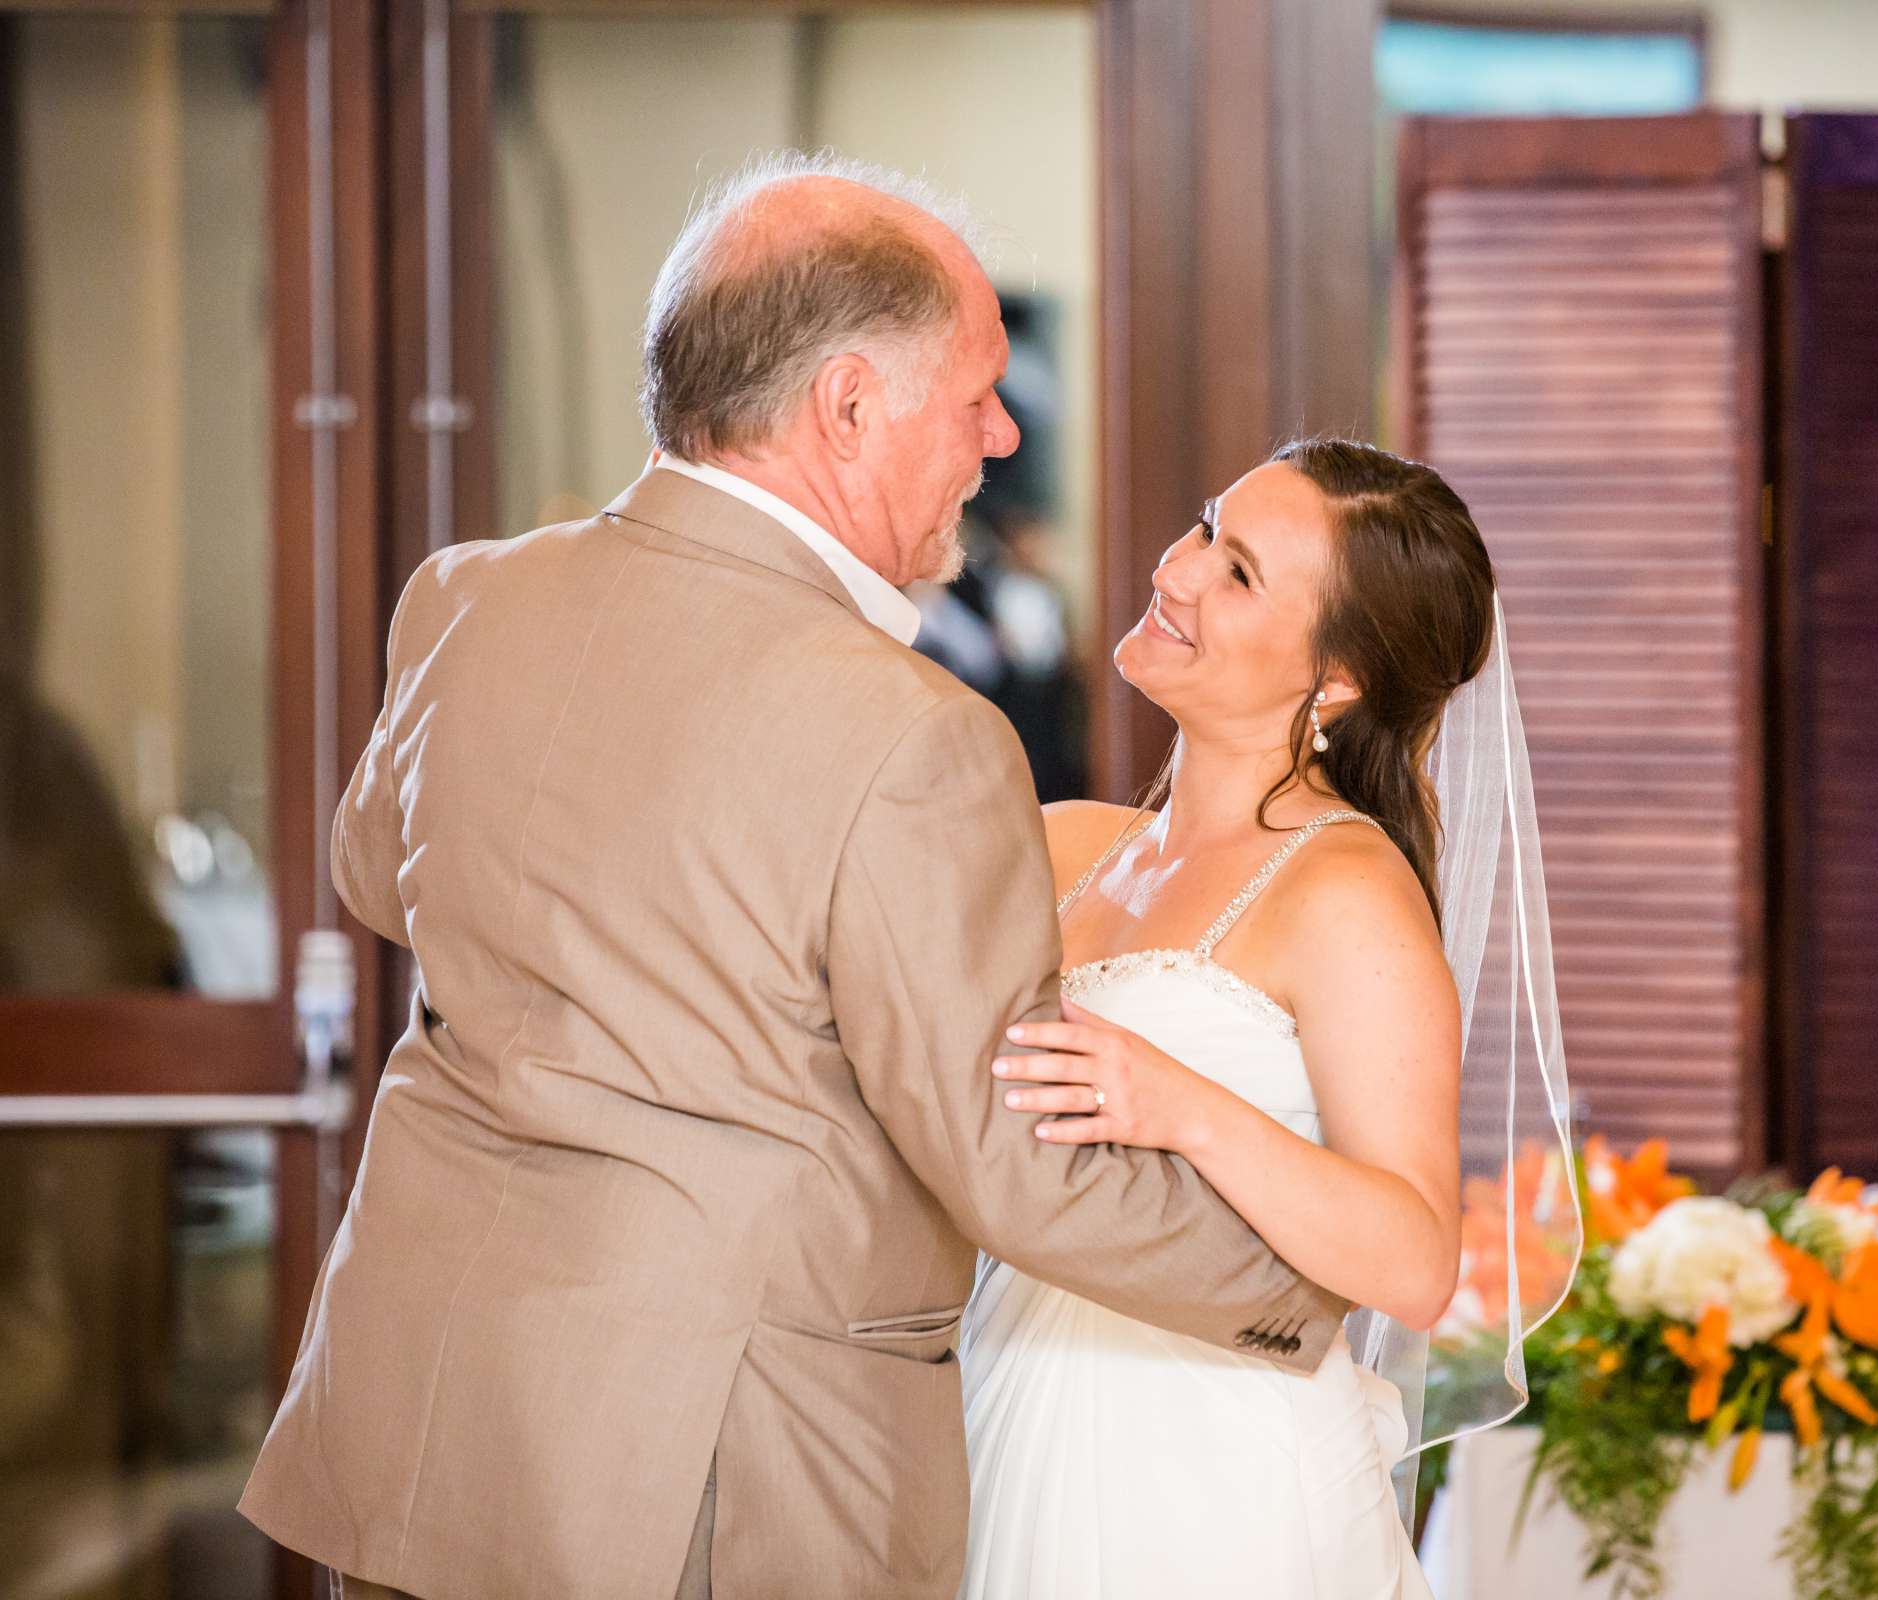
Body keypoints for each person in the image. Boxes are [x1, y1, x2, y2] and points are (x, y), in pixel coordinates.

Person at [237, 152, 1346, 1600]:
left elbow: (382, 880)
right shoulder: (920, 737)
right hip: (707, 1479)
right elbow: (1005, 1158)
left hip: (422, 1423)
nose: (1004, 436)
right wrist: (1316, 1297)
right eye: (974, 396)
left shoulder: (466, 596)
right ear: (845, 409)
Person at [959, 438, 1510, 1599]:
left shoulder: (1344, 890)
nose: (1179, 569)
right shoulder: (1058, 840)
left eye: (1242, 572)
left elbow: (1414, 1261)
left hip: (1213, 1470)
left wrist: (1183, 1107)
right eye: (1208, 526)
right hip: (1006, 1398)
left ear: (1339, 679)